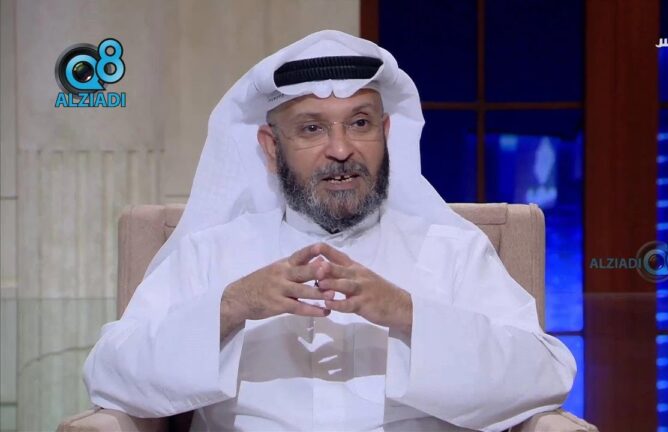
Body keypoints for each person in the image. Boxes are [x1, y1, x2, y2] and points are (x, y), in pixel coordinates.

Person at [83, 30, 576, 431]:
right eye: (312, 128)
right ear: (270, 148)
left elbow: (545, 375)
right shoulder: (212, 253)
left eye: (359, 123)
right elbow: (109, 374)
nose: (341, 150)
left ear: (385, 135)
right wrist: (232, 306)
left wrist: (408, 314)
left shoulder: (451, 252)